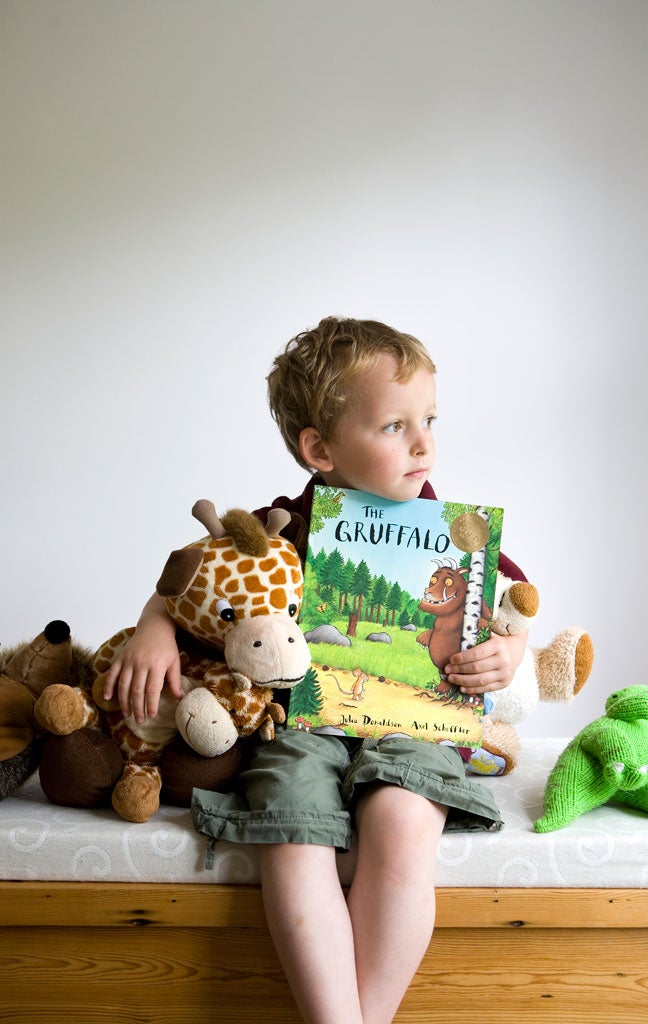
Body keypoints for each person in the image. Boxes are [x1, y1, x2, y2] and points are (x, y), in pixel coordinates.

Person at [104, 316, 527, 1024]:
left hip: (416, 726)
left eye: (428, 419)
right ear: (319, 449)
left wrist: (507, 653)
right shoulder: (278, 527)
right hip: (302, 727)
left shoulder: (456, 532)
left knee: (400, 821)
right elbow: (198, 580)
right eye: (394, 425)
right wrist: (154, 625)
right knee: (292, 832)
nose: (423, 443)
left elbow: (515, 609)